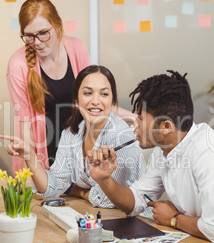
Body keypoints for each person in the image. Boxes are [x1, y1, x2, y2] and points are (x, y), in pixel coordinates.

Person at [86, 70, 214, 243]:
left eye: (141, 118)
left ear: (166, 126)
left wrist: (173, 219)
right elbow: (135, 202)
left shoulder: (211, 153)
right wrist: (104, 179)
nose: (135, 123)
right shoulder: (164, 149)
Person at [7, 0, 135, 172]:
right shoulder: (18, 65)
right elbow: (25, 123)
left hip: (80, 153)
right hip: (46, 158)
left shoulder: (77, 48)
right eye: (29, 35)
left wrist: (135, 118)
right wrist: (30, 173)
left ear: (57, 26)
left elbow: (94, 103)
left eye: (43, 33)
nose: (36, 42)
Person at [1, 65, 145, 208]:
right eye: (88, 93)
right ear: (76, 100)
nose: (96, 101)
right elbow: (53, 187)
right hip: (100, 217)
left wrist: (80, 192)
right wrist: (29, 156)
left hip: (138, 222)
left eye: (104, 94)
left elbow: (107, 200)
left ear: (112, 102)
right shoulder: (71, 133)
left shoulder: (121, 136)